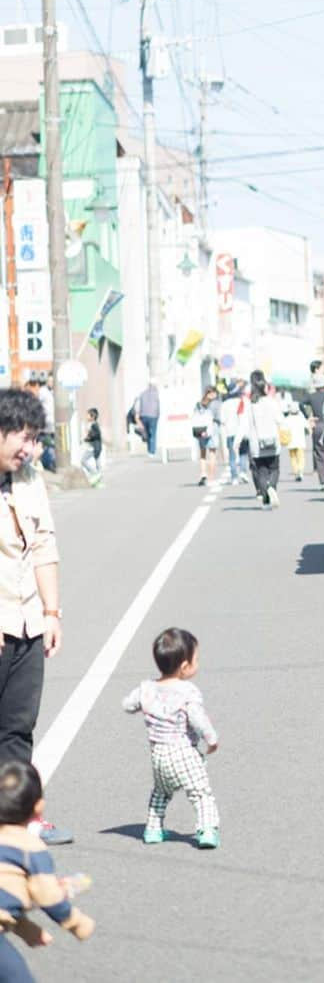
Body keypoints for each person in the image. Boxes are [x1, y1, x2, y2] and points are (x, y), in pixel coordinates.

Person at [0, 390, 70, 848]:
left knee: (18, 727)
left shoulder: (28, 479)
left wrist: (50, 612)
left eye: (33, 439)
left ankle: (18, 819)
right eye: (21, 439)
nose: (28, 448)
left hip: (25, 620)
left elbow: (43, 545)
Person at [122, 627, 220, 850]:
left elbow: (127, 704)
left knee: (160, 792)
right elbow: (198, 719)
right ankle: (206, 830)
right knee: (200, 793)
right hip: (184, 752)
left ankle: (153, 829)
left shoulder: (147, 688)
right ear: (185, 666)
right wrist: (211, 739)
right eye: (196, 659)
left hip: (159, 755)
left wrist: (144, 704)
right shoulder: (187, 691)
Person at [0, 760, 94, 979]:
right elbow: (48, 897)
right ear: (38, 807)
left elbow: (6, 896)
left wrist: (28, 930)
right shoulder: (29, 849)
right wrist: (77, 922)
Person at [246, 371, 282, 509]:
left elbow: (245, 424)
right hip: (272, 442)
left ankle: (266, 502)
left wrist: (237, 441)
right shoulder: (271, 402)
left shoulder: (250, 404)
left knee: (261, 471)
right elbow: (280, 420)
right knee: (274, 469)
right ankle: (272, 486)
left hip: (256, 445)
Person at [303, 368, 324, 492]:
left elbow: (300, 404)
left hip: (318, 425)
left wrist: (308, 417)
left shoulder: (311, 396)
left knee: (320, 454)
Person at [219, 384, 247, 486]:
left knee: (232, 456)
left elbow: (222, 420)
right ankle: (243, 471)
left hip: (230, 432)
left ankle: (234, 477)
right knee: (243, 453)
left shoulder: (224, 404)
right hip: (242, 431)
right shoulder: (241, 402)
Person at [192, 388, 219, 488]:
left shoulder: (198, 404)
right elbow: (218, 417)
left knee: (203, 453)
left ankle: (203, 474)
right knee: (212, 453)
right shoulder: (214, 404)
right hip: (211, 429)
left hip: (200, 430)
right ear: (211, 393)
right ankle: (211, 478)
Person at [282, 395, 308, 482]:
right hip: (300, 441)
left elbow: (283, 429)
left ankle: (296, 471)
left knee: (293, 458)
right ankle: (300, 470)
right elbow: (307, 426)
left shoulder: (287, 419)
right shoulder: (301, 418)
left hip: (290, 441)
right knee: (301, 457)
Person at [135, 381, 161, 457]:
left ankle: (149, 450)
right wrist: (158, 415)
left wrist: (138, 414)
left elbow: (138, 404)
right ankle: (152, 451)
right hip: (153, 416)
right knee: (153, 433)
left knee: (147, 433)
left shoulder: (142, 394)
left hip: (144, 415)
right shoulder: (156, 394)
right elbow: (158, 406)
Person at [79, 409, 103, 487]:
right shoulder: (92, 424)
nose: (86, 416)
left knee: (83, 460)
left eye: (88, 414)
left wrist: (87, 438)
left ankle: (95, 474)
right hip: (95, 447)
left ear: (92, 416)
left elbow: (96, 434)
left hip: (94, 448)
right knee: (98, 464)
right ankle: (98, 482)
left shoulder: (94, 425)